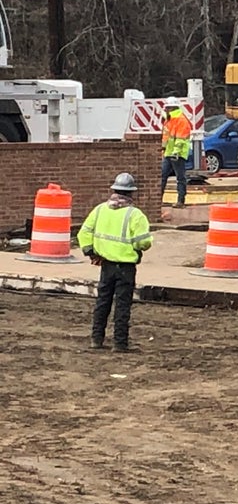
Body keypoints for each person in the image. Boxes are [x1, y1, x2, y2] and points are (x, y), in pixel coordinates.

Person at [78, 172, 153, 353]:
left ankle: (96, 339)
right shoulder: (135, 215)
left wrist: (90, 252)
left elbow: (84, 233)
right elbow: (142, 242)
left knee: (102, 302)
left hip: (106, 265)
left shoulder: (100, 210)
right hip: (125, 267)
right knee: (122, 305)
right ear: (131, 193)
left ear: (114, 190)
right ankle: (120, 343)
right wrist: (139, 248)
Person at [159, 96, 192, 207]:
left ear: (172, 108)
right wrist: (163, 149)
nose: (165, 110)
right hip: (169, 153)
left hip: (177, 154)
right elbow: (166, 137)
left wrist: (176, 152)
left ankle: (181, 201)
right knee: (162, 176)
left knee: (180, 177)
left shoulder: (180, 120)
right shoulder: (169, 120)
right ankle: (158, 200)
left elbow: (181, 139)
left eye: (167, 108)